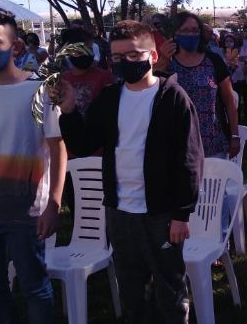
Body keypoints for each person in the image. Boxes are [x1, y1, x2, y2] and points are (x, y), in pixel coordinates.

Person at [55, 20, 203, 323]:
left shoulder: (173, 98)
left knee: (170, 290)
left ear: (151, 54)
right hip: (120, 212)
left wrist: (181, 214)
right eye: (118, 56)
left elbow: (189, 160)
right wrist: (69, 111)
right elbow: (84, 144)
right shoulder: (109, 97)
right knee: (131, 291)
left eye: (134, 55)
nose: (126, 62)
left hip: (161, 213)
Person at [0, 6, 65, 324]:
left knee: (35, 288)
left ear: (15, 47)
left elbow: (57, 148)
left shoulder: (39, 91)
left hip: (27, 214)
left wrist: (54, 203)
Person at [163, 12, 239, 159]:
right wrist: (161, 62)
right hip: (177, 143)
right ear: (175, 33)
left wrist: (234, 135)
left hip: (213, 141)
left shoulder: (213, 60)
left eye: (195, 30)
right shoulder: (167, 64)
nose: (191, 34)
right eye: (185, 30)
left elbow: (230, 101)